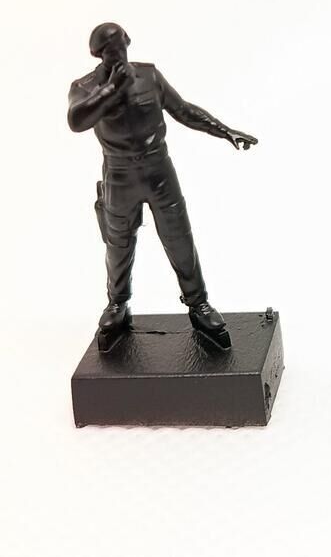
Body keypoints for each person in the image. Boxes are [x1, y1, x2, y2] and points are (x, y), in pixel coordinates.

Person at [68, 22, 258, 348]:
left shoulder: (148, 75)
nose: (117, 54)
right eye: (109, 51)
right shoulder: (86, 86)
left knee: (179, 236)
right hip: (119, 175)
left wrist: (225, 130)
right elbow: (76, 120)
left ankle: (198, 303)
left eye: (120, 46)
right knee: (118, 243)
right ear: (97, 54)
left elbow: (183, 110)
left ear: (127, 43)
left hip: (159, 170)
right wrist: (111, 90)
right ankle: (117, 303)